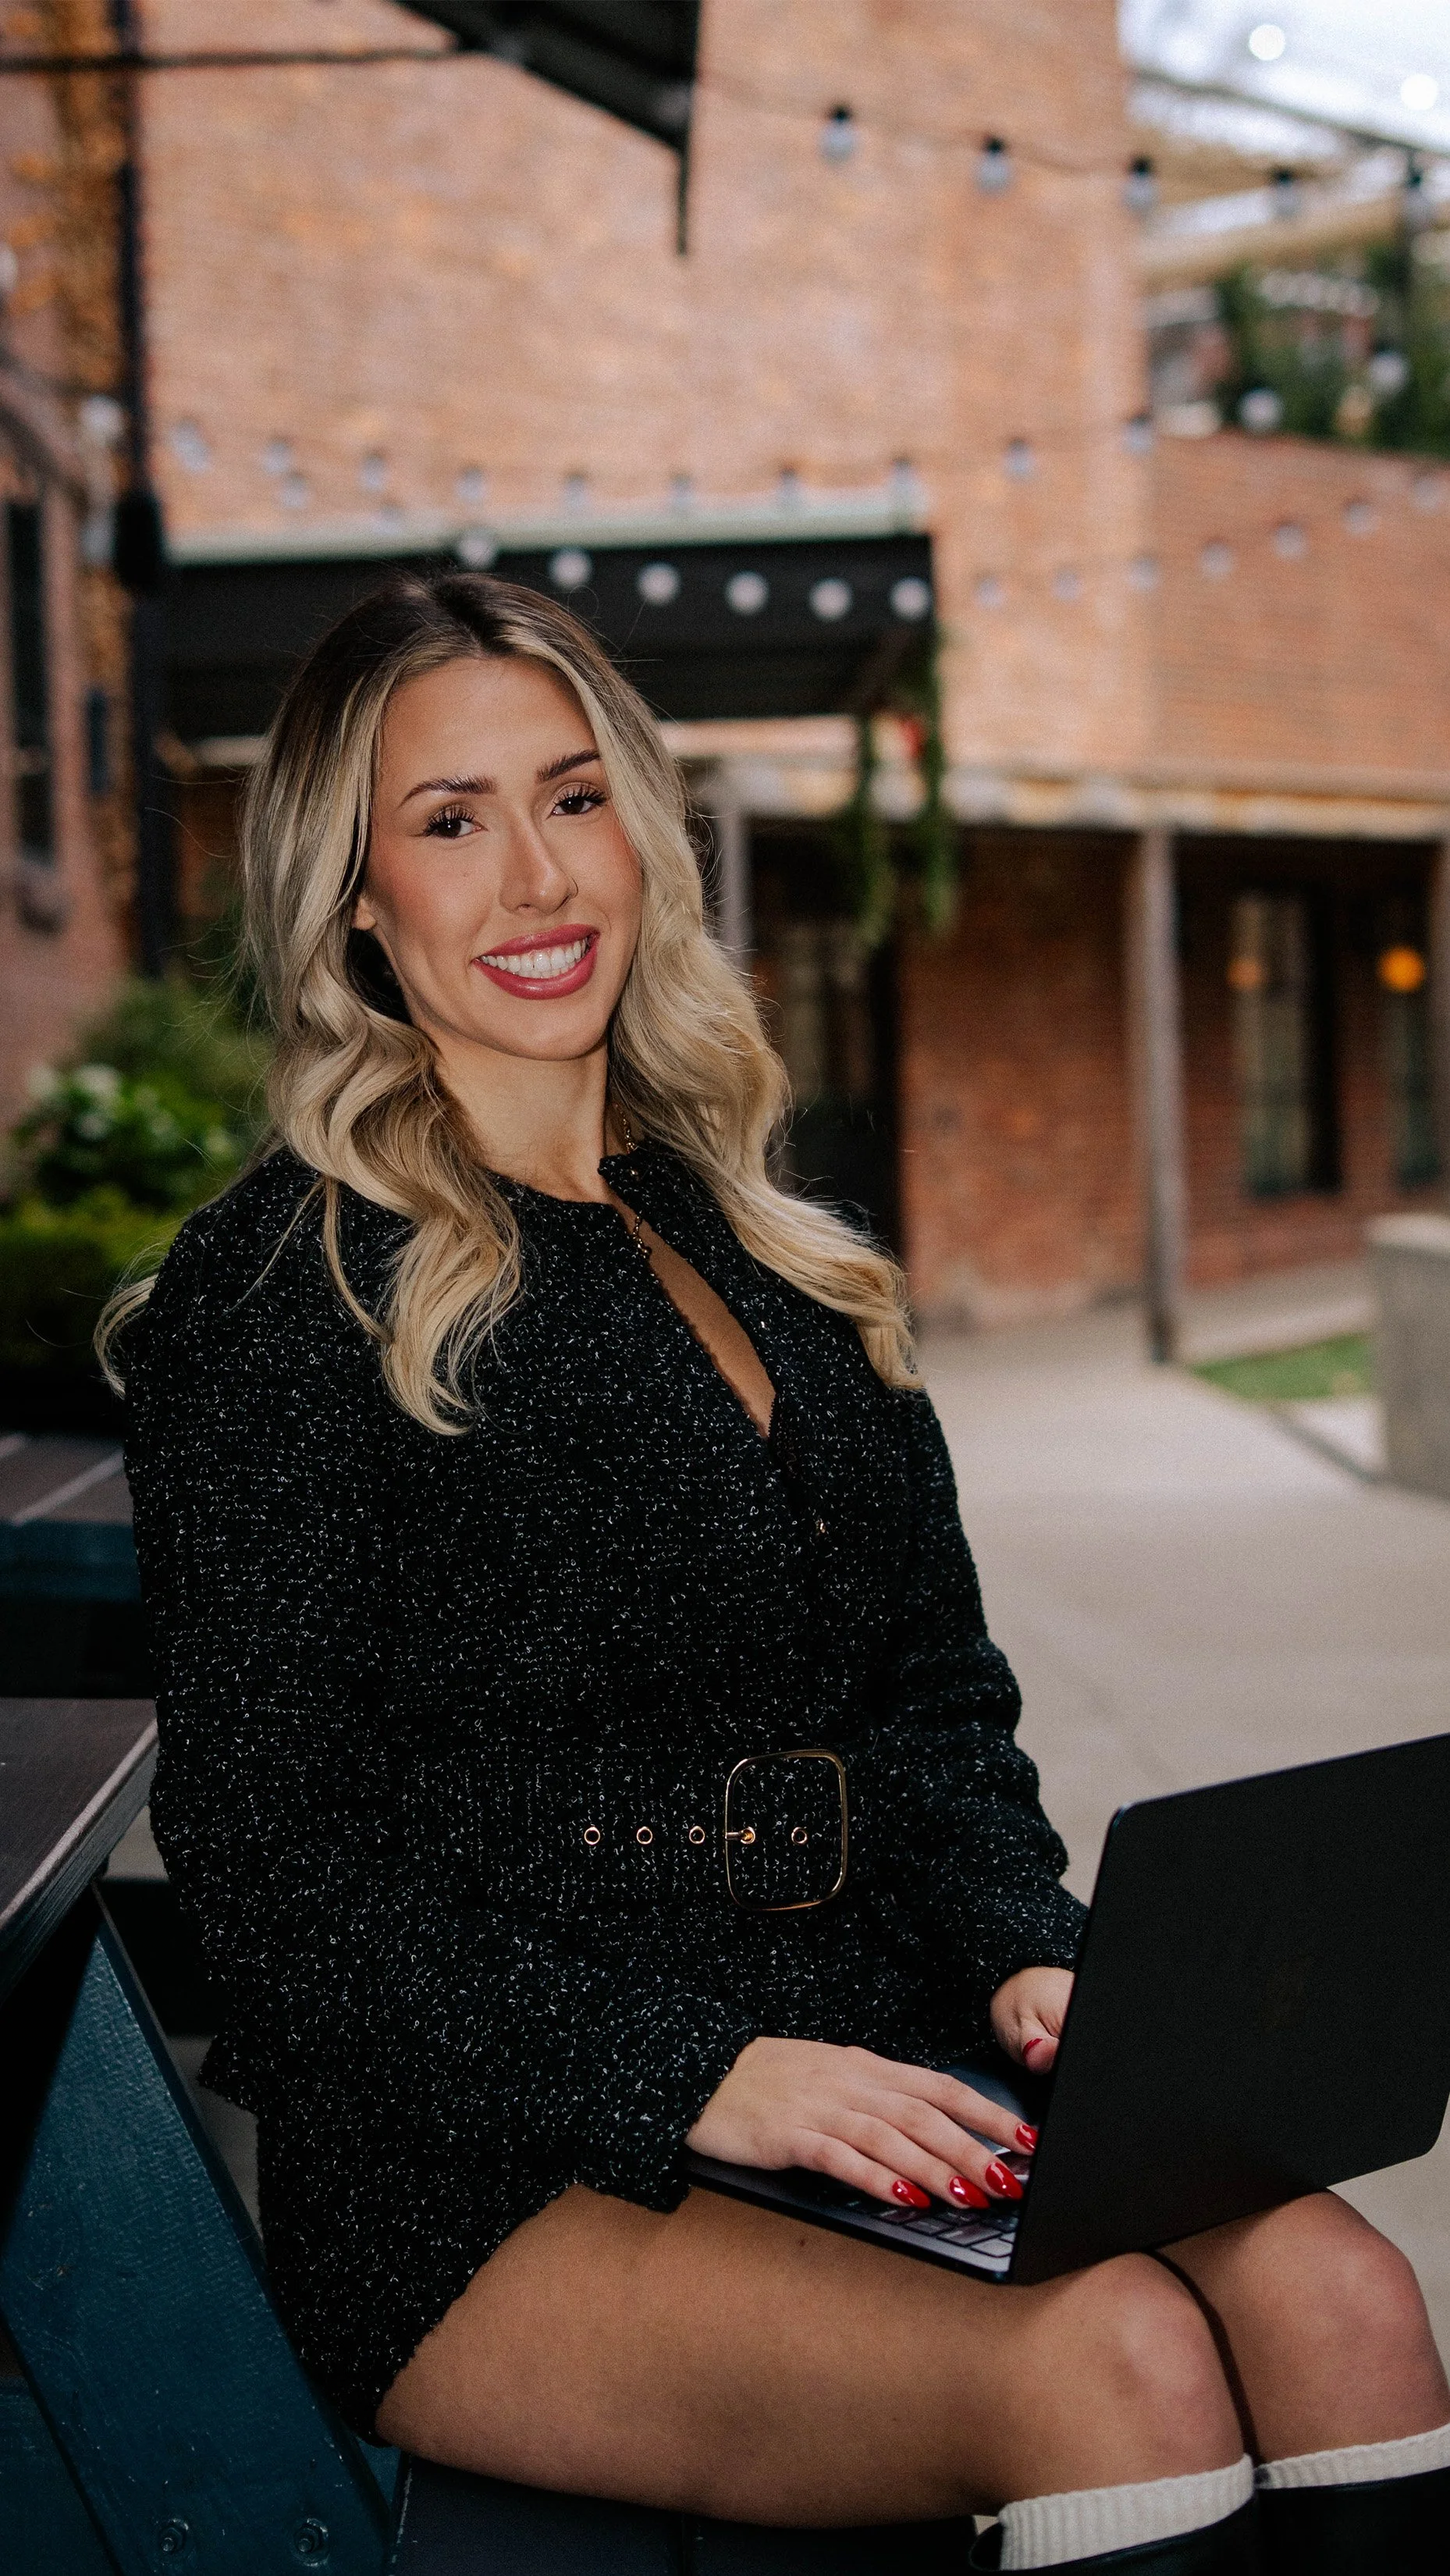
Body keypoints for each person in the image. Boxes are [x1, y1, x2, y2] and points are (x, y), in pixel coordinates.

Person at [112, 572, 1449, 2574]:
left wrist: (1022, 1950)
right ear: (354, 898)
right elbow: (272, 1878)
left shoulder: (765, 1245)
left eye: (573, 797)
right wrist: (693, 2076)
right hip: (489, 2163)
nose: (536, 875)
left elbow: (933, 1706)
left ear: (641, 830)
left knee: (1343, 2296)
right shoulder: (280, 1294)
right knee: (1115, 2362)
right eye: (451, 820)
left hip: (864, 2045)